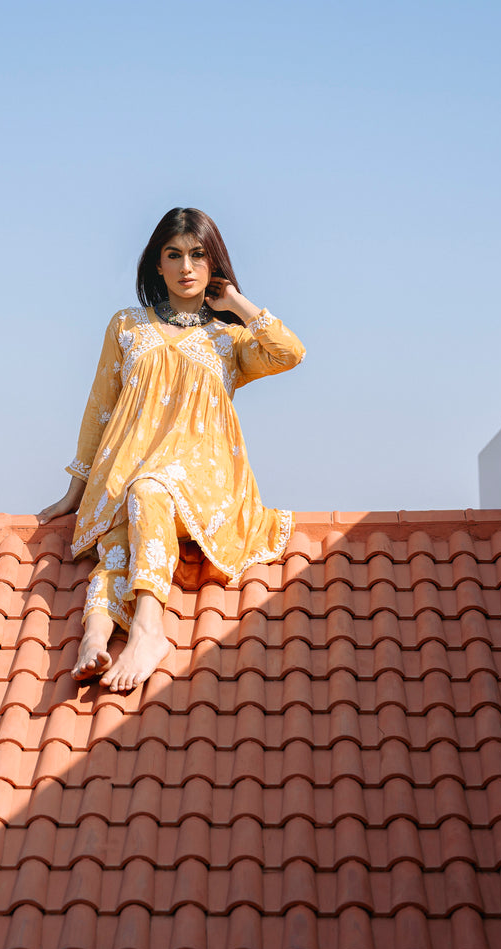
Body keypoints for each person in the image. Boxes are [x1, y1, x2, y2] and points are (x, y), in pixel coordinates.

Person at [38, 207, 306, 691]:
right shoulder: (126, 326)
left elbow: (289, 352)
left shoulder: (228, 339)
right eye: (174, 254)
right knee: (119, 543)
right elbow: (100, 407)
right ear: (156, 265)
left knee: (148, 490)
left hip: (204, 481)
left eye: (199, 256)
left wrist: (238, 303)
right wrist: (74, 491)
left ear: (214, 266)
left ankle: (147, 630)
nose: (186, 267)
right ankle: (94, 638)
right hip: (128, 470)